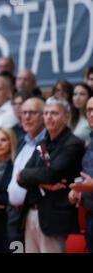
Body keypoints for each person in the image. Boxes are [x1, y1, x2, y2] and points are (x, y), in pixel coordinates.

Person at [18, 96, 85, 253]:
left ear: (66, 116)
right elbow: (21, 177)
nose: (48, 117)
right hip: (31, 212)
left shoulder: (73, 143)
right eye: (46, 113)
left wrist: (32, 176)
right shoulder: (42, 144)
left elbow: (51, 174)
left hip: (55, 218)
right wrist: (39, 180)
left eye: (54, 113)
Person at [7, 97, 46, 244]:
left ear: (43, 115)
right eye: (24, 113)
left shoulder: (47, 144)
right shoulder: (22, 141)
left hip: (35, 212)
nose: (27, 117)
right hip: (15, 214)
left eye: (32, 113)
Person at [68, 96, 93, 252]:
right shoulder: (90, 143)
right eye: (89, 110)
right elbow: (85, 174)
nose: (92, 114)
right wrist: (77, 189)